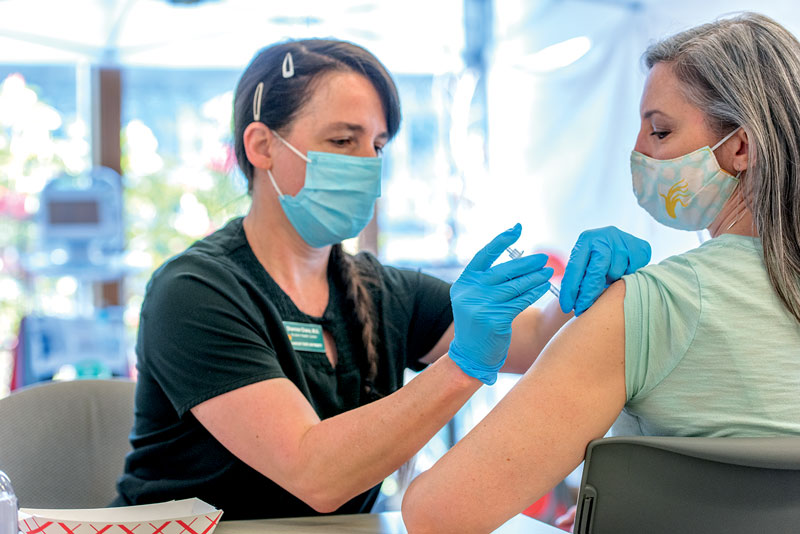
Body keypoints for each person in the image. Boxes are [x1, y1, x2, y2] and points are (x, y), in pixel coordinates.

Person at [113, 39, 650, 519]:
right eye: (344, 141)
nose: (367, 164)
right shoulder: (196, 293)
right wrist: (462, 368)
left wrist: (584, 292)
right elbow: (314, 474)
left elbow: (532, 343)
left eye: (377, 145)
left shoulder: (378, 291)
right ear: (261, 146)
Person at [402, 12, 800, 534]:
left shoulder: (647, 307)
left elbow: (438, 514)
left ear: (741, 148)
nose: (637, 152)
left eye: (660, 130)